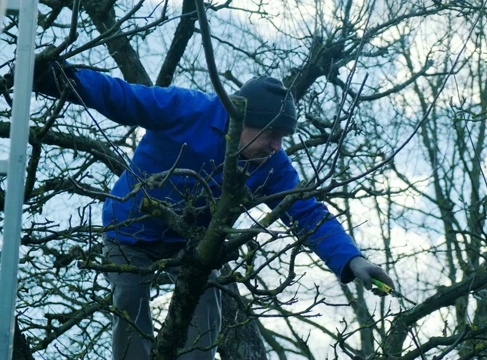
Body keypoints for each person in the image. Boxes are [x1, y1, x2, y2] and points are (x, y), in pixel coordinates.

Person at [30, 62, 394, 360]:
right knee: (128, 302)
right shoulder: (188, 109)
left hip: (192, 243)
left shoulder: (272, 164)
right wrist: (61, 79)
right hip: (131, 230)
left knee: (208, 307)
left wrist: (352, 262)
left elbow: (307, 213)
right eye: (272, 134)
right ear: (244, 117)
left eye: (283, 138)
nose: (276, 145)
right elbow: (126, 98)